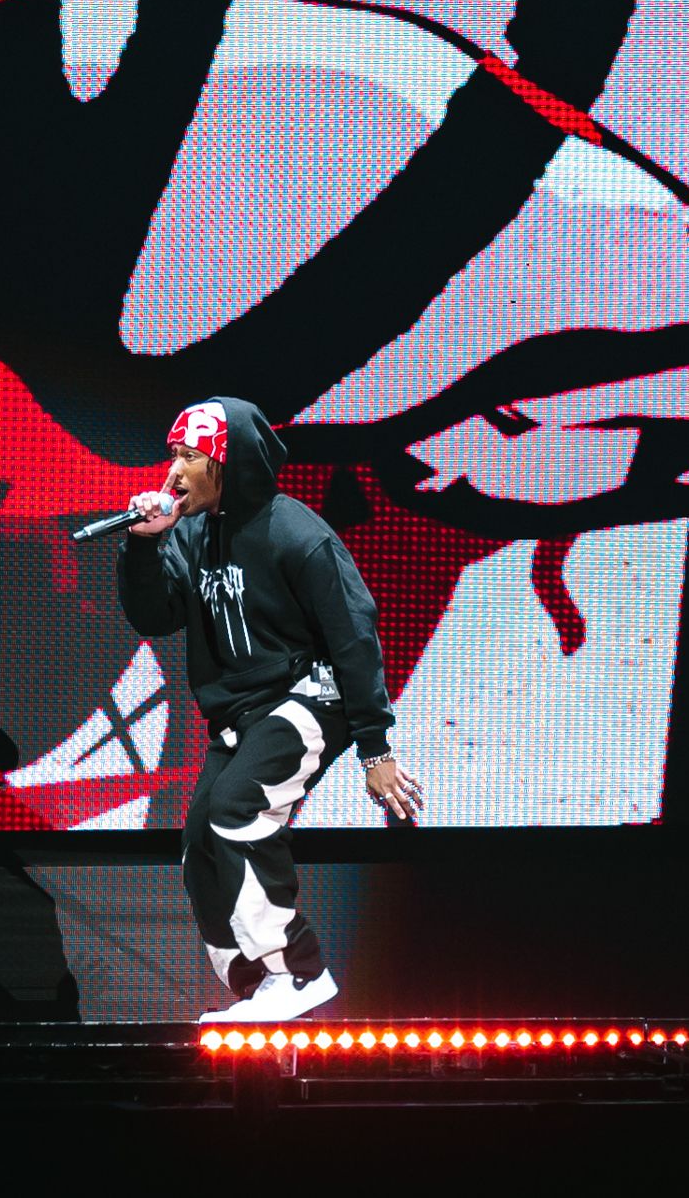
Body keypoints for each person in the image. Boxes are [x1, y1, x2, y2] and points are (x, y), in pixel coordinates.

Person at [117, 397, 423, 1022]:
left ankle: (298, 972)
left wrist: (375, 748)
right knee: (202, 842)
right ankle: (258, 983)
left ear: (227, 463)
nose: (173, 471)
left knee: (238, 810)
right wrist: (145, 547)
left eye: (189, 456)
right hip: (243, 713)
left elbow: (354, 635)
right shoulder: (192, 533)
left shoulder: (297, 533)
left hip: (310, 696)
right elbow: (155, 617)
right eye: (172, 455)